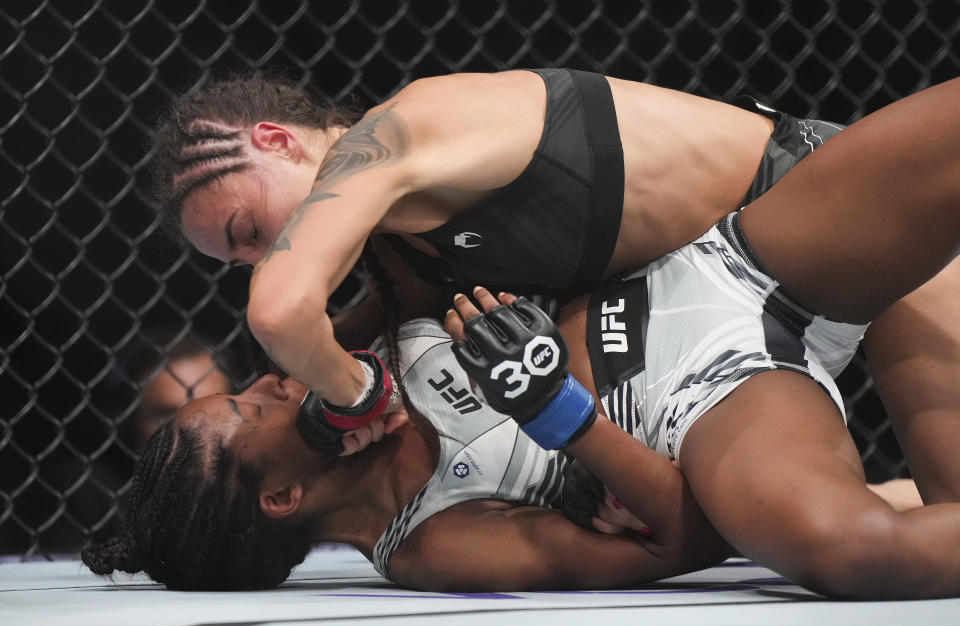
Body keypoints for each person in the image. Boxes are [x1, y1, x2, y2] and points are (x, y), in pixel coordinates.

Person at [445, 73, 960, 600]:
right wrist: (557, 412)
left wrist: (357, 402)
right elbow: (685, 544)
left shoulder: (378, 292)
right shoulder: (419, 542)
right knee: (860, 552)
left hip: (717, 249)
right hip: (694, 402)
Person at [146, 69, 841, 423]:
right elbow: (354, 334)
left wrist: (359, 400)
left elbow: (279, 314)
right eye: (240, 261)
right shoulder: (401, 246)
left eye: (251, 234)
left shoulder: (390, 140)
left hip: (821, 202)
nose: (264, 259)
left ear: (276, 139)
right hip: (744, 303)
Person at [80, 318, 730, 591]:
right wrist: (554, 407)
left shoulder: (339, 368)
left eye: (243, 387)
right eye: (250, 411)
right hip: (729, 389)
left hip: (681, 270)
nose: (269, 383)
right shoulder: (434, 544)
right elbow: (678, 543)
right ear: (280, 496)